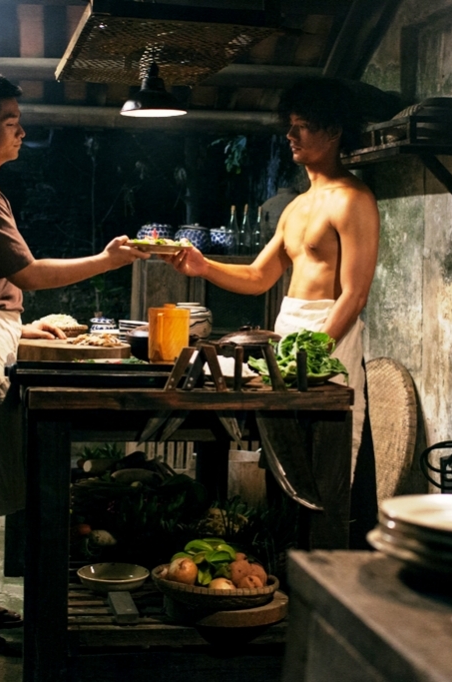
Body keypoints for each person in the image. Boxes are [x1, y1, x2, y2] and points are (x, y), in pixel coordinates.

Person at [0, 70, 148, 655]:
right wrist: (107, 259)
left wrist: (21, 327)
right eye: (11, 122)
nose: (21, 132)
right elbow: (30, 274)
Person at [165, 78, 379, 466]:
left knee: (329, 459)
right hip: (287, 332)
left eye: (303, 127)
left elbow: (355, 293)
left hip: (329, 333)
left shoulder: (353, 199)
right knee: (285, 456)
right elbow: (259, 277)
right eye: (290, 125)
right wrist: (203, 266)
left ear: (333, 131)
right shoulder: (296, 207)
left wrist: (315, 353)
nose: (290, 135)